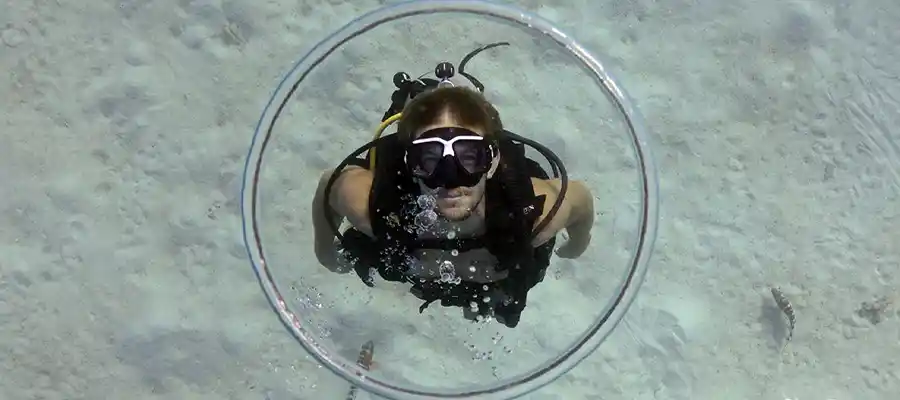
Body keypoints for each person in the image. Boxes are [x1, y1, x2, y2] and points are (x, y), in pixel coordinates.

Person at [311, 48, 594, 327]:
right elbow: (329, 184)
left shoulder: (530, 217)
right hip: (416, 260)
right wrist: (323, 250)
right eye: (429, 158)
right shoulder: (376, 210)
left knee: (492, 308)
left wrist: (578, 243)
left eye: (470, 156)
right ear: (410, 164)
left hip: (491, 279)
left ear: (492, 161)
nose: (450, 178)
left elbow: (579, 199)